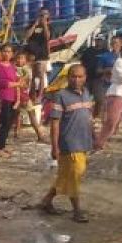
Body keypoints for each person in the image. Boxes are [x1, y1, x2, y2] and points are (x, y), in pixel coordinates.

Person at [39, 64, 94, 223]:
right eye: (73, 76)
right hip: (69, 143)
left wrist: (95, 137)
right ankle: (77, 211)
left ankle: (46, 201)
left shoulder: (86, 94)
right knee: (75, 175)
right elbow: (55, 123)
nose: (76, 80)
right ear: (68, 77)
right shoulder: (61, 96)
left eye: (80, 76)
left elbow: (89, 118)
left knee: (66, 176)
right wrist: (54, 146)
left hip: (84, 142)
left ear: (85, 78)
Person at [0, 44, 21, 156]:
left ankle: (3, 146)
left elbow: (16, 82)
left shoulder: (12, 66)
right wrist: (18, 83)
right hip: (4, 98)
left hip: (13, 97)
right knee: (4, 123)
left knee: (9, 123)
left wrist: (18, 98)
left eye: (9, 52)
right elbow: (3, 83)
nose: (6, 53)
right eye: (4, 51)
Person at [14, 46, 45, 143]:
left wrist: (34, 95)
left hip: (23, 95)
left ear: (25, 59)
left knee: (25, 114)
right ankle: (39, 135)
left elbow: (30, 83)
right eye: (18, 58)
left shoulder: (26, 69)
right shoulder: (19, 69)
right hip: (17, 95)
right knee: (25, 114)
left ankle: (18, 132)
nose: (19, 60)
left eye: (21, 58)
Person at [23, 8, 53, 88]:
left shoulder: (49, 26)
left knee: (41, 76)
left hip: (42, 55)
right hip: (31, 55)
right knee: (31, 76)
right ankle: (32, 93)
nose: (43, 16)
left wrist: (45, 25)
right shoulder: (32, 25)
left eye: (45, 14)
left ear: (48, 15)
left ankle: (40, 95)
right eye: (41, 15)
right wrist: (34, 25)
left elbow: (47, 37)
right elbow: (27, 36)